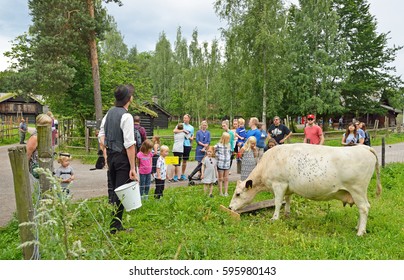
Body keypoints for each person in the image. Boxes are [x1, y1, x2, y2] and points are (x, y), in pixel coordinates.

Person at [98, 84, 138, 234]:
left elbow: (101, 135)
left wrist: (106, 153)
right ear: (129, 99)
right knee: (121, 192)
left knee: (115, 189)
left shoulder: (109, 113)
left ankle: (115, 223)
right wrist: (133, 168)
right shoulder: (126, 116)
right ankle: (115, 227)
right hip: (122, 157)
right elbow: (129, 144)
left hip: (111, 156)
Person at [26, 114, 53, 180]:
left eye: (49, 124)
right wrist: (24, 170)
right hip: (37, 168)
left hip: (46, 167)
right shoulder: (35, 137)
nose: (47, 126)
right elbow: (27, 154)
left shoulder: (46, 135)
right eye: (44, 124)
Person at [173, 114, 194, 181]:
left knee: (184, 161)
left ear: (189, 119)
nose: (184, 119)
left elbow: (191, 135)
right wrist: (182, 131)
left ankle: (182, 174)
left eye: (186, 118)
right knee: (177, 161)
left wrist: (191, 141)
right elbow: (174, 131)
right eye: (184, 118)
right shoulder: (180, 125)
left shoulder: (191, 127)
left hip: (187, 145)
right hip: (179, 145)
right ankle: (176, 175)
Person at [214, 132, 232, 196]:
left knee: (226, 178)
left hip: (227, 163)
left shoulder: (229, 145)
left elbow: (230, 152)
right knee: (220, 178)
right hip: (220, 163)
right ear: (225, 138)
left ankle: (226, 192)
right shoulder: (218, 145)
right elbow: (213, 149)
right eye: (228, 138)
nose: (229, 139)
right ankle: (221, 192)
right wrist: (216, 156)